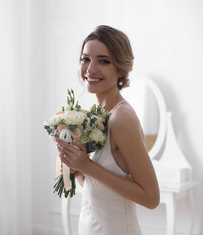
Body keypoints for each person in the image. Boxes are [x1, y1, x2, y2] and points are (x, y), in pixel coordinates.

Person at [55, 25, 160, 235]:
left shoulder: (121, 119)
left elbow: (151, 198)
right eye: (85, 59)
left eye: (103, 61)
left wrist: (87, 165)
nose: (91, 68)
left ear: (120, 68)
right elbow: (94, 187)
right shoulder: (96, 115)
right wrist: (72, 161)